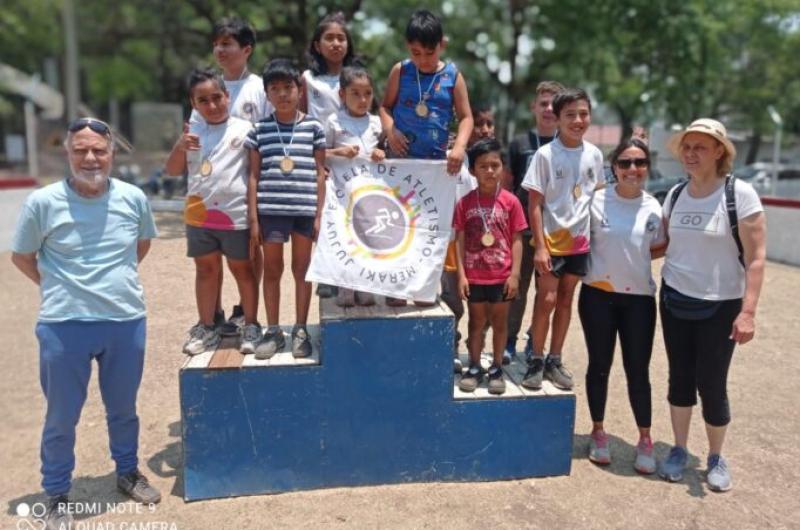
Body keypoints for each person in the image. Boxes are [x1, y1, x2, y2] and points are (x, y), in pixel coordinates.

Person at [10, 118, 161, 529]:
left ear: (112, 153)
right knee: (62, 415)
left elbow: (140, 245)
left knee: (124, 409)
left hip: (124, 321)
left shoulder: (133, 198)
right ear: (68, 154)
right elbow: (21, 256)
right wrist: (59, 286)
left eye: (98, 150)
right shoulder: (43, 203)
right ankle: (57, 493)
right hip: (64, 326)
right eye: (81, 150)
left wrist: (113, 285)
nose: (90, 158)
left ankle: (127, 472)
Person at [657, 119, 766, 492]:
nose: (690, 154)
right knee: (679, 377)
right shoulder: (675, 194)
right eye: (686, 147)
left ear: (719, 151)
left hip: (721, 306)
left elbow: (756, 258)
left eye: (700, 147)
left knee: (712, 383)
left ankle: (716, 456)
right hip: (673, 299)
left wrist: (748, 311)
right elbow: (665, 245)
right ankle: (680, 449)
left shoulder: (741, 195)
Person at [578, 137, 666, 473]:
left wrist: (634, 262)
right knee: (599, 365)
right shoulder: (596, 201)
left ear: (647, 167)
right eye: (625, 163)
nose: (633, 169)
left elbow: (658, 247)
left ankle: (645, 439)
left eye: (640, 162)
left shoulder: (654, 207)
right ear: (614, 168)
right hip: (597, 295)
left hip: (639, 301)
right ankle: (598, 432)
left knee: (638, 371)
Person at [379, 8, 473, 306]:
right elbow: (384, 107)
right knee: (398, 224)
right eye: (416, 52)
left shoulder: (452, 75)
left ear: (441, 45)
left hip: (435, 168)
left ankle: (422, 288)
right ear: (409, 47)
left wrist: (458, 147)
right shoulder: (401, 71)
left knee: (429, 228)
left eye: (429, 53)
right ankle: (395, 288)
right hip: (401, 164)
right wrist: (391, 130)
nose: (423, 60)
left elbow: (467, 117)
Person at [166, 68, 261, 355]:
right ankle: (207, 326)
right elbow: (172, 170)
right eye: (203, 100)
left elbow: (257, 174)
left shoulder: (246, 130)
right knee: (206, 270)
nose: (212, 105)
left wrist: (256, 216)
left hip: (237, 215)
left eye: (217, 97)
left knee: (242, 270)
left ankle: (252, 325)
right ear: (193, 104)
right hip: (199, 215)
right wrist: (180, 146)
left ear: (227, 96)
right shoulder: (191, 133)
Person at [190, 17, 273, 336]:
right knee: (210, 258)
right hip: (212, 190)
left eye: (227, 43)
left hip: (249, 186)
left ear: (246, 49)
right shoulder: (208, 87)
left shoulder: (260, 88)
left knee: (250, 253)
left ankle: (245, 311)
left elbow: (269, 136)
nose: (219, 49)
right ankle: (213, 313)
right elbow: (195, 140)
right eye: (216, 44)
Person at [520, 87, 603, 391]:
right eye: (570, 115)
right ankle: (536, 359)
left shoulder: (594, 153)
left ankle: (555, 359)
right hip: (551, 243)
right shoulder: (544, 155)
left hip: (580, 243)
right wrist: (540, 246)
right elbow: (534, 203)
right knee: (547, 300)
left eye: (583, 114)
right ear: (557, 118)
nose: (578, 120)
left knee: (566, 300)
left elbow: (599, 197)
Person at [245, 59, 326, 359]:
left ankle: (301, 329)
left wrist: (319, 214)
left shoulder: (314, 128)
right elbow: (254, 175)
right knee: (273, 270)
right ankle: (274, 329)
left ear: (299, 89)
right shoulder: (259, 130)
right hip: (271, 211)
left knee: (302, 270)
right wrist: (254, 218)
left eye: (288, 88)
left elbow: (320, 173)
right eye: (275, 89)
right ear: (266, 94)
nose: (282, 94)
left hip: (304, 211)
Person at [455, 138, 526, 395]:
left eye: (495, 165)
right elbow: (459, 240)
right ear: (472, 170)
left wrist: (515, 274)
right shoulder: (465, 203)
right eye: (482, 166)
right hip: (474, 276)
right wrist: (461, 275)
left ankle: (496, 368)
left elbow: (517, 239)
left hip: (501, 275)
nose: (489, 171)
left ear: (503, 169)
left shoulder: (511, 202)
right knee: (475, 322)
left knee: (499, 323)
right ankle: (474, 366)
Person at [505, 80, 563, 364]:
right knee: (516, 289)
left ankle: (534, 341)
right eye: (543, 104)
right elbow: (507, 187)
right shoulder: (519, 144)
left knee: (547, 294)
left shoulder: (568, 146)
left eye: (554, 104)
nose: (549, 109)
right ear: (533, 108)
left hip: (555, 233)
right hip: (522, 230)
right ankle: (508, 341)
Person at [301, 12, 358, 299]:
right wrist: (314, 158)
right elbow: (300, 116)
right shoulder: (308, 79)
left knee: (351, 215)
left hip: (351, 158)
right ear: (316, 45)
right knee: (323, 216)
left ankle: (352, 271)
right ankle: (327, 272)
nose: (336, 43)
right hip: (321, 158)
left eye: (341, 38)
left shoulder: (356, 76)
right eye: (329, 38)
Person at [324, 66, 384, 307]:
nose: (362, 100)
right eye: (355, 93)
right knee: (346, 238)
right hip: (342, 193)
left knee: (368, 239)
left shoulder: (377, 123)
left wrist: (382, 151)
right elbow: (320, 153)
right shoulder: (333, 121)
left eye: (367, 94)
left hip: (371, 192)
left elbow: (386, 155)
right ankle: (345, 287)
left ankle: (365, 286)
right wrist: (339, 151)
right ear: (342, 95)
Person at [443, 104, 494, 370]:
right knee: (451, 300)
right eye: (479, 123)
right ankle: (449, 346)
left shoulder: (490, 159)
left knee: (482, 300)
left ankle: (478, 353)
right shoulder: (447, 153)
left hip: (480, 241)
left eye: (489, 124)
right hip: (449, 239)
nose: (484, 130)